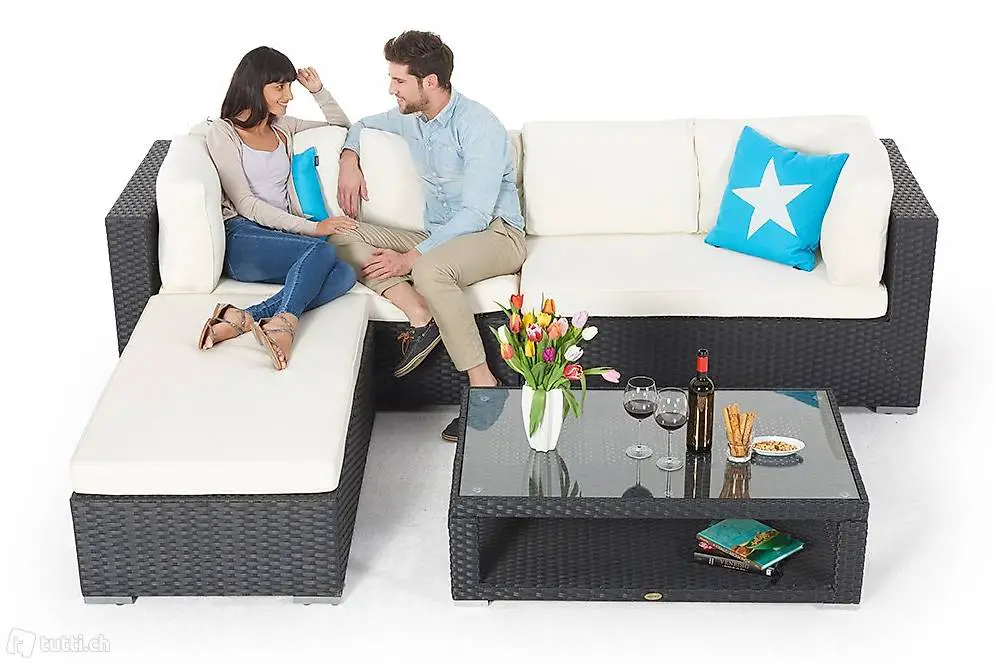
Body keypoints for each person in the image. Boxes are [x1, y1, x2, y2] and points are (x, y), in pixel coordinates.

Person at [332, 31, 527, 441]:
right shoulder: (410, 117)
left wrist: (411, 257)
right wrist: (349, 157)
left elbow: (476, 213)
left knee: (430, 269)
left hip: (496, 234)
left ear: (431, 82)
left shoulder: (479, 125)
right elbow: (362, 125)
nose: (392, 89)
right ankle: (422, 316)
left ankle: (485, 386)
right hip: (438, 235)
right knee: (340, 233)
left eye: (399, 80)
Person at [197, 46, 359, 370]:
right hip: (244, 239)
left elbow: (341, 127)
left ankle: (244, 319)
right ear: (255, 86)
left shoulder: (282, 126)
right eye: (280, 87)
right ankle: (284, 325)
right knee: (322, 250)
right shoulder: (224, 132)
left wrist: (319, 91)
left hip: (283, 239)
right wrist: (314, 227)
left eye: (289, 87)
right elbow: (245, 203)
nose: (289, 96)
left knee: (345, 274)